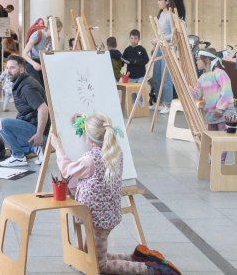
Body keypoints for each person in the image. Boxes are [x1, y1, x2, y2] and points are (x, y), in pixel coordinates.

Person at [50, 112, 180, 275]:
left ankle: (150, 270)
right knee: (90, 253)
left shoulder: (90, 160)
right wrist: (83, 127)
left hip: (97, 219)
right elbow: (95, 139)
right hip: (108, 215)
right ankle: (140, 257)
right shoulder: (115, 153)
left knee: (99, 265)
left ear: (89, 139)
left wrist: (58, 147)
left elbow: (67, 169)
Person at [0, 55, 50, 167]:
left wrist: (39, 134)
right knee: (8, 136)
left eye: (12, 68)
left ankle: (18, 157)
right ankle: (36, 148)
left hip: (40, 134)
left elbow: (43, 109)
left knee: (2, 124)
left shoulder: (26, 87)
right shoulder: (21, 82)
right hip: (33, 127)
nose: (8, 71)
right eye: (7, 68)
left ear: (21, 69)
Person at [191, 48, 234, 163]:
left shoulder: (220, 73)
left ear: (207, 60)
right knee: (211, 139)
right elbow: (197, 95)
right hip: (211, 114)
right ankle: (214, 160)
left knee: (221, 139)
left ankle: (219, 162)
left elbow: (227, 92)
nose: (196, 62)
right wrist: (188, 89)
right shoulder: (202, 77)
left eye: (198, 60)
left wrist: (220, 108)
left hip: (223, 113)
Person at [150, 0, 176, 114]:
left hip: (167, 47)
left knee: (166, 77)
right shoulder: (161, 14)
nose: (158, 3)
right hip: (159, 46)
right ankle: (159, 102)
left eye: (160, 0)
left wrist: (161, 39)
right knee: (156, 76)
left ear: (166, 1)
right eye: (157, 0)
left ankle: (168, 103)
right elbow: (160, 32)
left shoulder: (171, 15)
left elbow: (174, 33)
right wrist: (156, 41)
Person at [22, 16, 63, 87]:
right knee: (38, 86)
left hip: (45, 63)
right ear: (50, 28)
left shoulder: (55, 39)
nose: (57, 34)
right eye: (57, 31)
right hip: (33, 63)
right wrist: (34, 64)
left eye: (59, 32)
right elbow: (24, 54)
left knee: (47, 87)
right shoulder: (38, 34)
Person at [122, 30, 149, 103]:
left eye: (135, 38)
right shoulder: (127, 50)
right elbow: (123, 60)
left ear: (139, 39)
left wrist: (135, 61)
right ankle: (133, 109)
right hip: (130, 76)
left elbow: (146, 60)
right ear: (129, 38)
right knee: (132, 94)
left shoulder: (142, 49)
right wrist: (128, 61)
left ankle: (141, 108)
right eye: (132, 38)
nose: (133, 40)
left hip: (141, 76)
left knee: (140, 93)